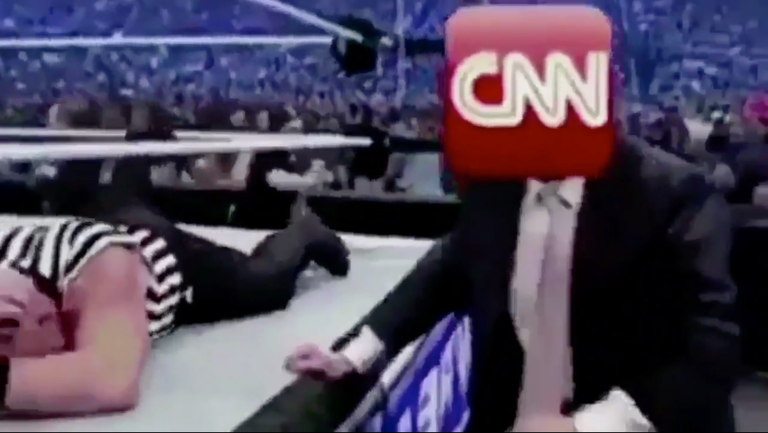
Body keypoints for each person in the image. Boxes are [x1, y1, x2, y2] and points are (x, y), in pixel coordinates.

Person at [285, 135, 740, 431]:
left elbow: (710, 350)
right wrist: (354, 355)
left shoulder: (673, 192)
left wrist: (585, 427)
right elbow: (448, 266)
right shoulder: (498, 180)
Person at [0, 180, 350, 415]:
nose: (16, 359)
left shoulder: (100, 266)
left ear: (39, 313)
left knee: (266, 282)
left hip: (167, 260)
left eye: (8, 336)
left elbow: (112, 379)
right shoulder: (18, 283)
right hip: (102, 225)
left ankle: (305, 231)